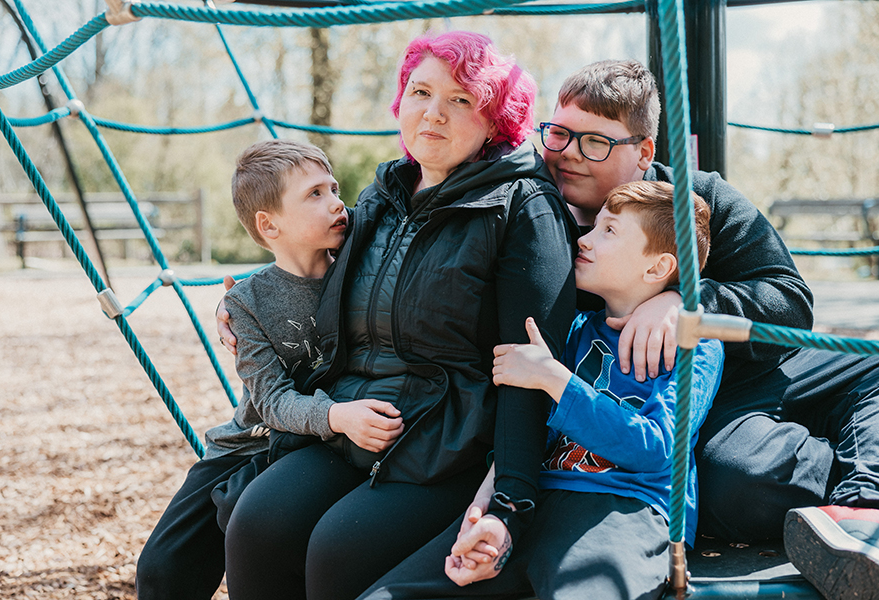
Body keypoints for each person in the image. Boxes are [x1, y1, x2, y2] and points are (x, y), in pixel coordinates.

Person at [394, 58, 879, 599]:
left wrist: (684, 300)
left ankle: (863, 508)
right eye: (558, 134)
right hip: (639, 400)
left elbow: (789, 302)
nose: (568, 153)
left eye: (596, 142)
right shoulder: (532, 210)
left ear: (643, 153)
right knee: (737, 482)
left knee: (862, 370)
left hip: (747, 367)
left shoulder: (697, 200)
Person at [218, 31, 578, 600]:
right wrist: (243, 303)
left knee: (338, 548)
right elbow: (305, 259)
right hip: (351, 420)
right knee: (257, 523)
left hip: (448, 442)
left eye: (462, 100)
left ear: (495, 121)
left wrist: (510, 501)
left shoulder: (521, 208)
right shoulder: (380, 197)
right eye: (420, 92)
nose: (433, 113)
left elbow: (528, 369)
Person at [359, 179, 724, 600]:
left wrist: (553, 378)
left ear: (657, 268)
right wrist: (491, 512)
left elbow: (658, 448)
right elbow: (527, 430)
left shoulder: (693, 345)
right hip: (537, 498)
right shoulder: (570, 331)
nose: (584, 240)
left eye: (609, 231)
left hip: (623, 507)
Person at [136, 139, 405, 600]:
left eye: (334, 187)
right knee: (162, 568)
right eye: (314, 194)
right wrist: (336, 416)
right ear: (269, 224)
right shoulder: (247, 302)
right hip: (249, 443)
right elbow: (272, 401)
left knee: (254, 525)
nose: (337, 201)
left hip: (311, 449)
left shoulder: (362, 270)